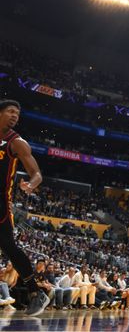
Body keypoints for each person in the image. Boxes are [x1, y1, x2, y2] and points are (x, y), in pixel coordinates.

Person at [0, 100, 50, 315]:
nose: (15, 116)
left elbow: (37, 173)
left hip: (1, 202)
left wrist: (31, 184)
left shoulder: (17, 142)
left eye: (17, 114)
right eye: (10, 112)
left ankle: (35, 293)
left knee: (9, 246)